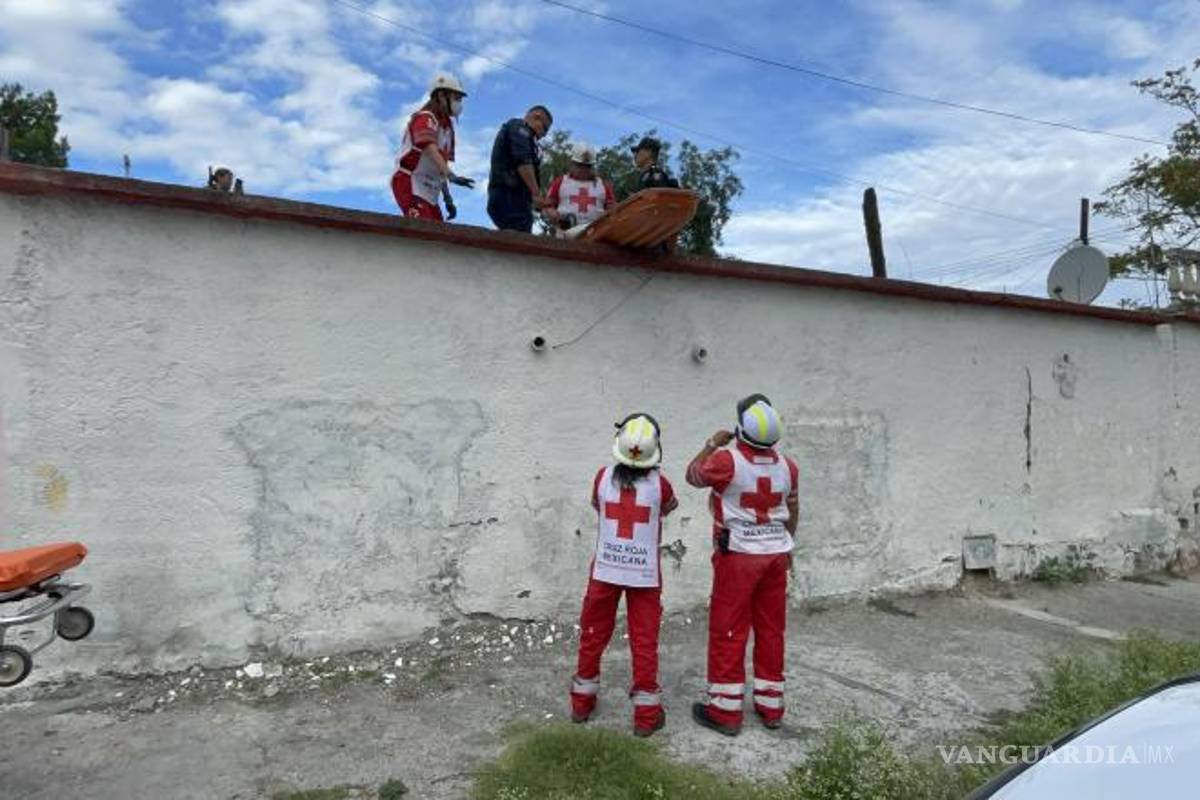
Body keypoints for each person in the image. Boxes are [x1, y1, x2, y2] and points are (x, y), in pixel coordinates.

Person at [686, 394, 799, 736]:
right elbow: (793, 510)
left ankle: (725, 710)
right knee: (771, 629)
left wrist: (710, 444)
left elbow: (693, 476)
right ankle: (770, 704)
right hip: (775, 555)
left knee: (729, 629)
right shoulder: (788, 466)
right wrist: (788, 545)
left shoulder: (726, 461)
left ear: (740, 429)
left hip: (738, 556)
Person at [570, 413, 679, 737]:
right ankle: (646, 716)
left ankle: (581, 703)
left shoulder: (602, 478)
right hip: (644, 575)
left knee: (593, 634)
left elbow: (598, 506)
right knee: (644, 640)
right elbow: (668, 507)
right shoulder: (661, 484)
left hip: (605, 569)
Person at [392, 73, 474, 222]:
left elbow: (440, 165)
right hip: (410, 182)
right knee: (424, 230)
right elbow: (430, 149)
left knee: (438, 232)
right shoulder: (425, 118)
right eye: (456, 98)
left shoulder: (448, 129)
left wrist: (448, 198)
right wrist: (452, 175)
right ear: (441, 96)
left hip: (430, 189)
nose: (459, 104)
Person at [487, 105, 553, 233]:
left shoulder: (525, 136)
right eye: (544, 129)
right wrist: (536, 194)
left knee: (518, 232)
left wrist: (541, 205)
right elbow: (523, 162)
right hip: (509, 197)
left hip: (511, 198)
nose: (543, 135)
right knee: (517, 237)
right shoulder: (519, 128)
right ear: (536, 117)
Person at [545, 142, 615, 232]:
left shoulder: (603, 185)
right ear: (572, 164)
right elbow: (547, 206)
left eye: (587, 166)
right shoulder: (560, 182)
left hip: (595, 235)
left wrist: (607, 216)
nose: (583, 169)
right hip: (565, 235)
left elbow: (613, 210)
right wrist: (553, 215)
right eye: (580, 165)